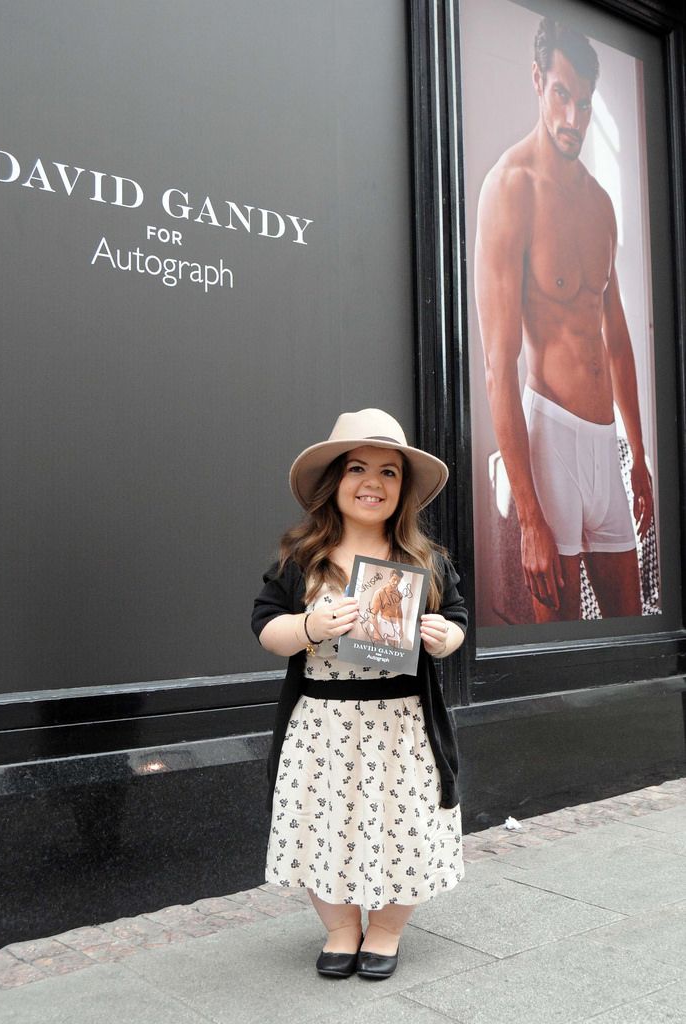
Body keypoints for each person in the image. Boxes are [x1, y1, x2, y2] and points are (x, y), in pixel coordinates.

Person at [251, 409, 467, 980]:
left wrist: (446, 636)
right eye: (357, 468)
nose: (373, 482)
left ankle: (388, 931)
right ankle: (342, 928)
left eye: (389, 472)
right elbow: (266, 628)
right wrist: (310, 627)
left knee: (405, 824)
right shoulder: (301, 560)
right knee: (324, 824)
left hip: (402, 725)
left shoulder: (426, 563)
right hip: (322, 725)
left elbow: (459, 619)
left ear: (404, 489)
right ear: (334, 483)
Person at [474, 17, 654, 623]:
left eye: (584, 102)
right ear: (537, 79)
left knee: (628, 635)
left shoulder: (601, 204)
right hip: (550, 438)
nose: (574, 118)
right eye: (561, 95)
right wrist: (529, 518)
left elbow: (620, 341)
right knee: (562, 653)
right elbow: (498, 366)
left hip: (608, 446)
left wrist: (640, 458)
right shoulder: (509, 189)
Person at [369, 569, 405, 647]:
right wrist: (376, 632)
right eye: (394, 579)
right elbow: (373, 614)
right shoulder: (380, 592)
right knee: (379, 650)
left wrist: (401, 628)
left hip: (394, 626)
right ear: (390, 578)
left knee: (395, 650)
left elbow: (399, 613)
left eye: (398, 581)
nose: (396, 583)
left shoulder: (399, 595)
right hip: (382, 624)